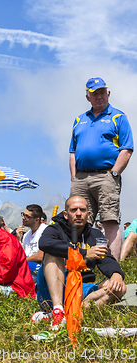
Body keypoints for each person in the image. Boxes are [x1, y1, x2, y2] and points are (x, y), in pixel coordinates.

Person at [35, 195, 126, 329]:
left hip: (81, 288)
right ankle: (57, 310)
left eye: (82, 210)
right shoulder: (54, 229)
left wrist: (116, 274)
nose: (78, 213)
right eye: (74, 210)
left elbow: (106, 258)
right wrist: (83, 253)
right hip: (52, 290)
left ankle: (75, 313)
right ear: (66, 214)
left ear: (88, 214)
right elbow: (45, 243)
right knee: (53, 254)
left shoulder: (95, 235)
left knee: (119, 288)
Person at [69, 77, 133, 262]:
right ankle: (79, 266)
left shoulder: (118, 117)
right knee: (77, 222)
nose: (99, 97)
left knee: (109, 220)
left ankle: (112, 269)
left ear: (108, 93)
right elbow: (72, 152)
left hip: (106, 175)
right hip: (80, 178)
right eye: (95, 93)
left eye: (102, 92)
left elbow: (126, 149)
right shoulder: (79, 120)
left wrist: (114, 173)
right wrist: (74, 177)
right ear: (88, 97)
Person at [20, 204, 47, 275]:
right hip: (28, 268)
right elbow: (23, 255)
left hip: (42, 269)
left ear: (37, 220)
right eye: (23, 214)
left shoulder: (45, 230)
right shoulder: (26, 235)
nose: (23, 218)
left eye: (27, 216)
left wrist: (22, 261)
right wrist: (19, 239)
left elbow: (41, 256)